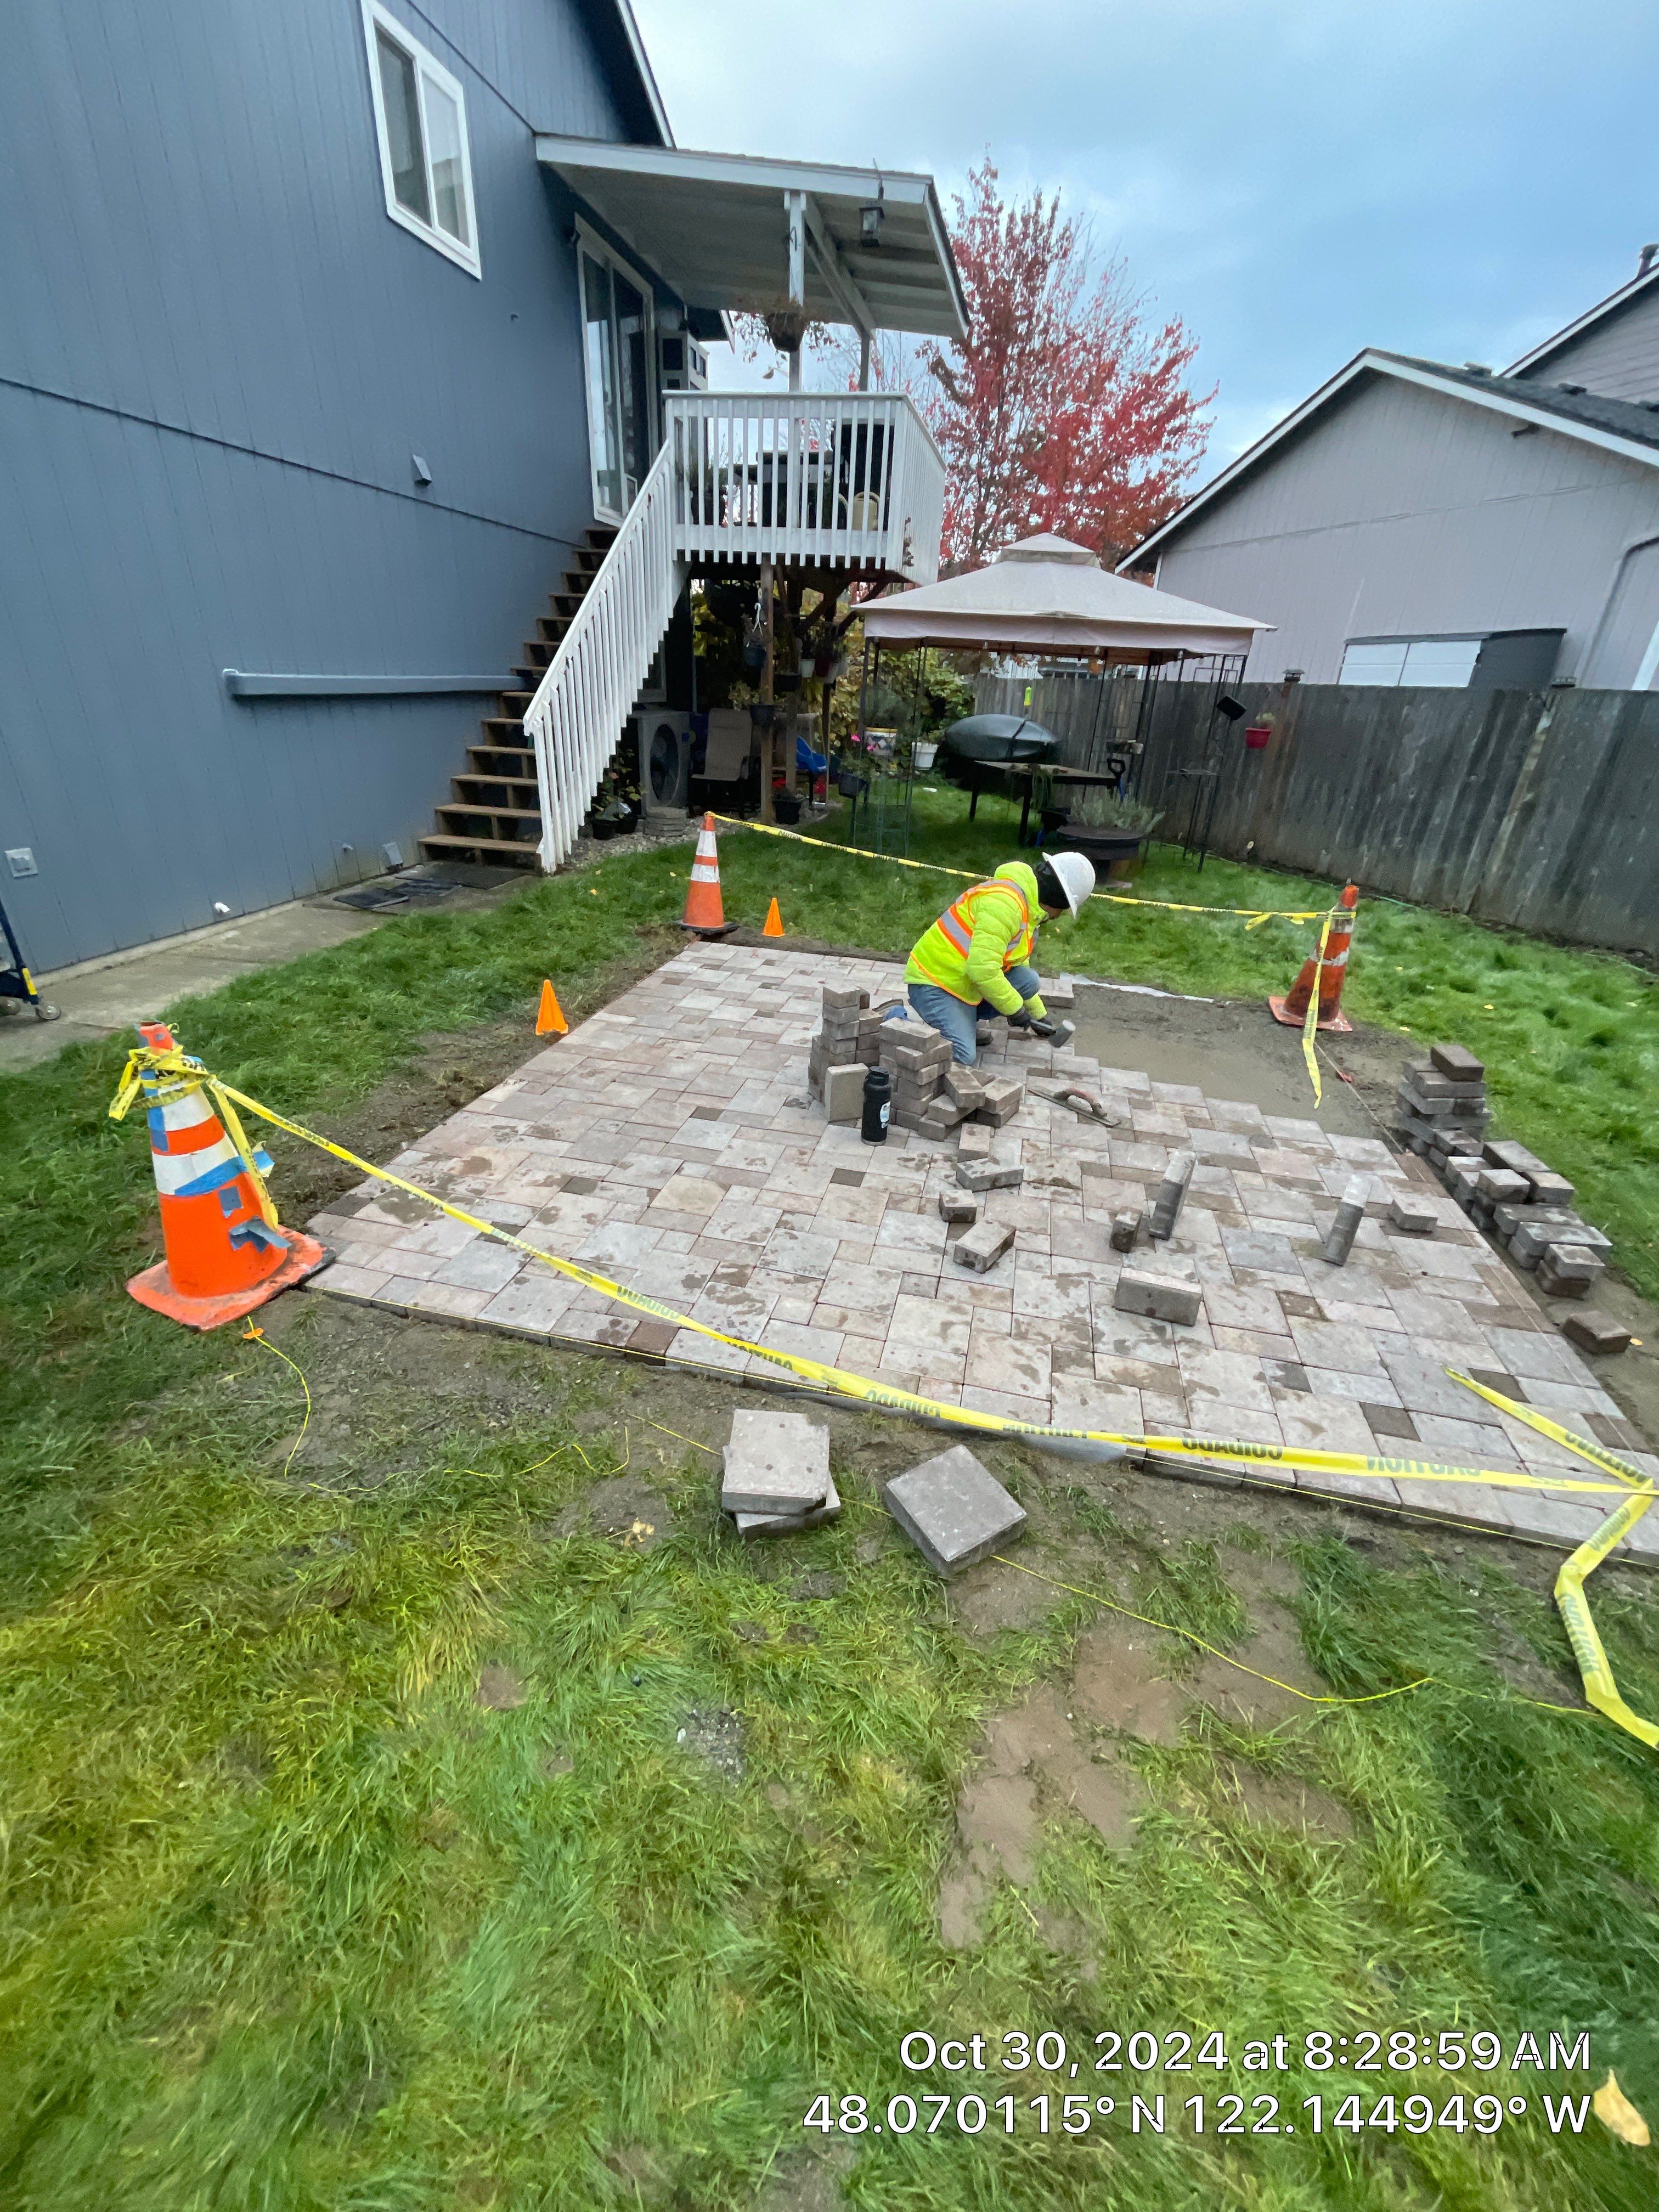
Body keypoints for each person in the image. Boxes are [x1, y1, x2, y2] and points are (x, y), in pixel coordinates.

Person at [904, 851, 1095, 1065]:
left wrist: (1038, 1016)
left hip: (961, 981)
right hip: (933, 983)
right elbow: (982, 970)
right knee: (963, 1055)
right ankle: (896, 1020)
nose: (1059, 916)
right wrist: (1015, 1010)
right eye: (1063, 909)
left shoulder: (1027, 908)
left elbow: (1015, 964)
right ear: (1056, 899)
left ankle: (964, 1023)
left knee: (1028, 981)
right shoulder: (1004, 906)